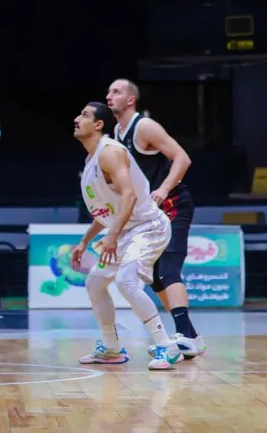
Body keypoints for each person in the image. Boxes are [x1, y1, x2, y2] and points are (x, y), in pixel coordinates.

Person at [71, 101, 181, 371]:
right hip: (126, 230)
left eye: (84, 115)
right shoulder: (91, 160)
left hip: (148, 226)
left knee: (126, 282)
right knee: (95, 284)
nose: (76, 119)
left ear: (98, 124)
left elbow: (130, 196)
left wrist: (112, 236)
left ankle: (167, 346)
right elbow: (107, 210)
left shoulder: (110, 152)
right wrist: (85, 240)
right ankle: (111, 349)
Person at [106, 79, 206, 358]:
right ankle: (192, 336)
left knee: (168, 270)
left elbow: (182, 158)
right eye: (109, 91)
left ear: (130, 100)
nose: (109, 95)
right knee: (156, 278)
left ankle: (184, 336)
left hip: (173, 205)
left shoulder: (144, 127)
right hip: (150, 213)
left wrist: (163, 189)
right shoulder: (116, 133)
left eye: (116, 91)